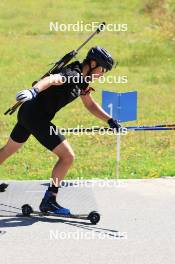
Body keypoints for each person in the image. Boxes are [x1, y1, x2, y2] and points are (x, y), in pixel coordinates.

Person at [0, 46, 120, 215]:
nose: (102, 74)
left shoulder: (83, 80)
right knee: (67, 157)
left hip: (28, 114)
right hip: (36, 117)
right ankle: (50, 200)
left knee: (9, 149)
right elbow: (52, 79)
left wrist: (110, 120)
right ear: (93, 64)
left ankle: (49, 200)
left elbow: (90, 104)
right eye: (102, 69)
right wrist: (33, 91)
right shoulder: (73, 74)